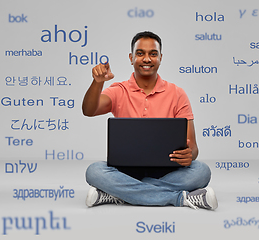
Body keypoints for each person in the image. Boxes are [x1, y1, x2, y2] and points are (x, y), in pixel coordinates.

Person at [82, 31, 218, 210]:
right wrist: (97, 82)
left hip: (167, 170)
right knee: (94, 171)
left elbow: (193, 148)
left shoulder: (177, 94)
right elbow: (88, 110)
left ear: (160, 58)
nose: (147, 59)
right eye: (140, 53)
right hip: (126, 170)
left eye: (153, 54)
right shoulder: (118, 90)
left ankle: (118, 194)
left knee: (201, 171)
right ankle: (180, 199)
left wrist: (189, 155)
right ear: (131, 58)